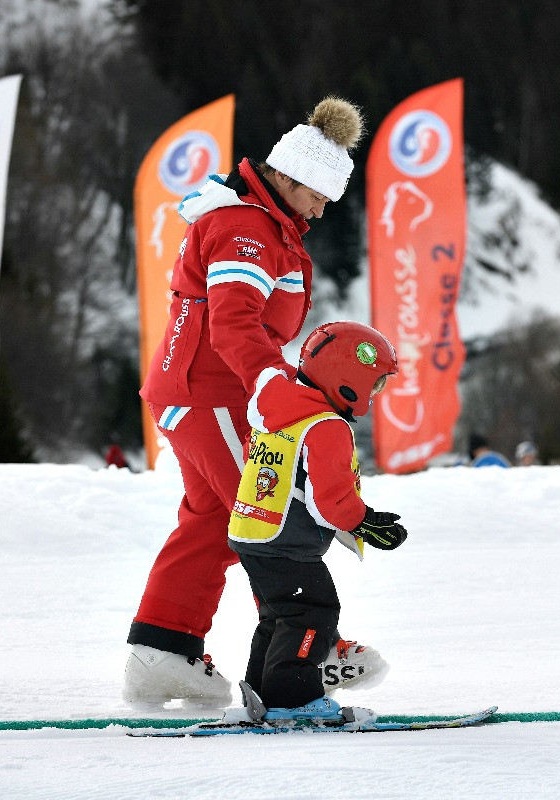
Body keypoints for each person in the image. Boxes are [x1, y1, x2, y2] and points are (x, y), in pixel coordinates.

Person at [123, 97, 383, 707]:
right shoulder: (247, 229)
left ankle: (163, 650)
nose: (322, 210)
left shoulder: (267, 226)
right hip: (212, 390)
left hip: (195, 389)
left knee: (215, 520)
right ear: (290, 179)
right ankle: (312, 650)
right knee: (269, 516)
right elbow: (235, 324)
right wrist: (273, 385)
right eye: (318, 196)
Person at [223, 321, 406, 722]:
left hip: (253, 533)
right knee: (313, 612)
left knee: (278, 617)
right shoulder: (326, 426)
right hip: (287, 543)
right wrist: (367, 522)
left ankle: (262, 697)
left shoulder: (283, 407)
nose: (375, 395)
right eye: (375, 384)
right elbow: (331, 502)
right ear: (348, 379)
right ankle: (295, 701)